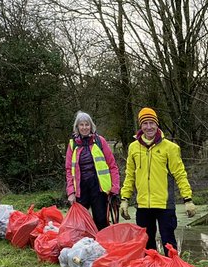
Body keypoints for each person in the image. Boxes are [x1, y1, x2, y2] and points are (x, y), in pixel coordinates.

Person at [119, 107, 195, 254]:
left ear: (157, 124)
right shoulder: (133, 148)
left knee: (169, 244)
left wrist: (188, 199)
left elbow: (180, 174)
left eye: (151, 123)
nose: (149, 127)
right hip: (142, 204)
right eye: (145, 123)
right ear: (140, 126)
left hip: (164, 204)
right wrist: (125, 199)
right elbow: (130, 175)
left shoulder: (170, 148)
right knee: (147, 245)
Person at [65, 111, 121, 231]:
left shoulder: (100, 141)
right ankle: (84, 248)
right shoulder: (72, 145)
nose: (84, 127)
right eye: (82, 125)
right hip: (80, 189)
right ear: (77, 127)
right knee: (80, 224)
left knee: (101, 221)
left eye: (87, 124)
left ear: (91, 126)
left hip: (99, 189)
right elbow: (69, 170)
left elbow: (113, 166)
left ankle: (102, 247)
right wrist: (70, 192)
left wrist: (115, 188)